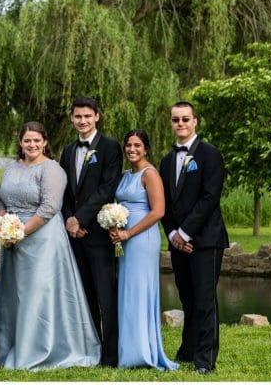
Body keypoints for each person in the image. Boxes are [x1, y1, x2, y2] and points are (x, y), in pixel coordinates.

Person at [0, 121, 100, 370]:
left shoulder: (52, 169)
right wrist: (2, 228)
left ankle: (42, 350)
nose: (32, 144)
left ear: (44, 142)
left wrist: (20, 232)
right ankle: (13, 346)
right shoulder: (11, 168)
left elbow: (50, 207)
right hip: (12, 242)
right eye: (27, 140)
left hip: (42, 240)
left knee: (38, 295)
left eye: (36, 140)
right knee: (14, 296)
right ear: (20, 142)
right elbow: (2, 200)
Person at [159, 101, 229, 374]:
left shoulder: (210, 154)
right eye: (175, 120)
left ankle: (205, 360)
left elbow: (210, 198)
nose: (180, 124)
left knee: (204, 299)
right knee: (187, 297)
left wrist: (186, 232)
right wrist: (174, 234)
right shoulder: (166, 161)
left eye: (185, 119)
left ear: (195, 121)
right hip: (178, 241)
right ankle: (187, 350)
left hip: (206, 240)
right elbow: (164, 202)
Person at [59, 95, 123, 367]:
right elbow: (63, 190)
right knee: (84, 295)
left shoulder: (110, 148)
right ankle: (92, 348)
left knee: (106, 296)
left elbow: (106, 188)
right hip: (74, 236)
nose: (82, 121)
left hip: (98, 234)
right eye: (77, 116)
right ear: (72, 118)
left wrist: (81, 220)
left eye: (87, 116)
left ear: (97, 116)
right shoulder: (68, 150)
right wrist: (69, 220)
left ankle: (110, 355)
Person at [109, 130, 178, 371]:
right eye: (128, 145)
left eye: (137, 145)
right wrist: (114, 224)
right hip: (123, 240)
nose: (131, 149)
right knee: (126, 291)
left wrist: (128, 232)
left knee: (139, 291)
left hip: (142, 240)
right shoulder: (126, 174)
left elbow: (158, 212)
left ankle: (142, 352)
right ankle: (127, 351)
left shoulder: (150, 174)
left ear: (146, 148)